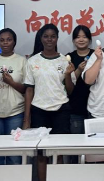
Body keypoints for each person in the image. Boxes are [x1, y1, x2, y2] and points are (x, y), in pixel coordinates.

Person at [23, 24, 75, 180]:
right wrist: (27, 119)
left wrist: (68, 74)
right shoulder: (32, 61)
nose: (49, 39)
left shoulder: (65, 60)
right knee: (41, 153)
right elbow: (29, 90)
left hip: (61, 110)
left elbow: (70, 90)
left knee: (58, 151)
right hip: (39, 110)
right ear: (41, 39)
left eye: (53, 36)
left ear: (57, 38)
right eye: (46, 36)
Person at [0, 28, 27, 165]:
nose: (5, 43)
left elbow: (26, 89)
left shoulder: (22, 61)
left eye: (9, 40)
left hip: (15, 112)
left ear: (14, 42)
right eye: (2, 40)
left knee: (14, 156)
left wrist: (10, 82)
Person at [67, 25, 94, 135]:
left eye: (84, 37)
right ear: (73, 40)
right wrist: (78, 70)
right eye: (78, 37)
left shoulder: (96, 55)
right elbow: (67, 83)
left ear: (89, 39)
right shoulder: (69, 57)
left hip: (95, 106)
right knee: (76, 141)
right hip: (76, 107)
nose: (81, 40)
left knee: (95, 141)